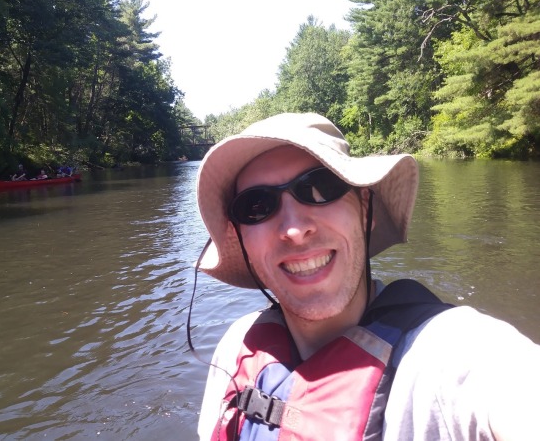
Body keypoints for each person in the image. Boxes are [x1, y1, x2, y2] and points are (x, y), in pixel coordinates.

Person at [193, 113, 540, 440]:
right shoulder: (235, 347)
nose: (295, 229)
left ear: (365, 211)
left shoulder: (459, 356)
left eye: (320, 188)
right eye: (257, 206)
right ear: (243, 243)